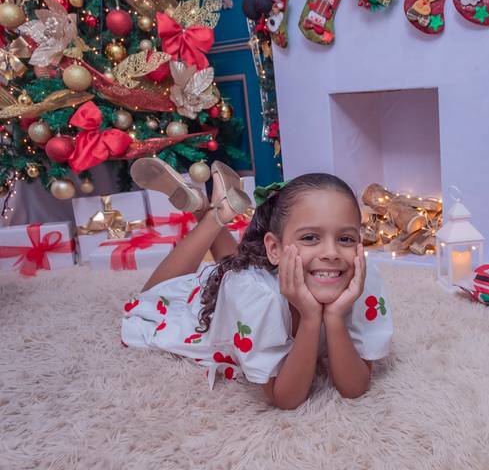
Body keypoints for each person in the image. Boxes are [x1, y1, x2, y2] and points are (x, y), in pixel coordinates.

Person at [122, 158, 393, 409]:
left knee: (233, 266)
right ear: (274, 248)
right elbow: (286, 398)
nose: (332, 253)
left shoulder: (360, 279)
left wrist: (334, 317)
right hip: (213, 309)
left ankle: (213, 209)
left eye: (345, 239)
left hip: (248, 280)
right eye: (310, 238)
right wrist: (311, 319)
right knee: (148, 301)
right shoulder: (256, 295)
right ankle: (213, 216)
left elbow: (354, 387)